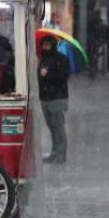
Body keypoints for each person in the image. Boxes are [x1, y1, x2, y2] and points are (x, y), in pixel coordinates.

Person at [39, 36, 70, 164]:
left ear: (53, 45)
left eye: (47, 45)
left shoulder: (61, 59)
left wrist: (48, 74)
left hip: (57, 98)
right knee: (52, 127)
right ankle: (54, 151)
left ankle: (61, 154)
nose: (45, 48)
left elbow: (63, 77)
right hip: (45, 98)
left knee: (58, 127)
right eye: (43, 45)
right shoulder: (43, 60)